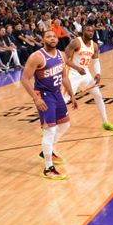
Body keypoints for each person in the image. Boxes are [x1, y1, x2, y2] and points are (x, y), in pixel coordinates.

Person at [20, 29, 78, 179]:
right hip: (44, 96)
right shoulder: (36, 57)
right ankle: (48, 168)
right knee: (49, 130)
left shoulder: (62, 55)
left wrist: (72, 95)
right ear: (43, 40)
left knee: (65, 124)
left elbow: (64, 76)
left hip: (57, 93)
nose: (52, 38)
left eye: (54, 36)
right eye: (48, 36)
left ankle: (48, 149)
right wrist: (35, 98)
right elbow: (25, 79)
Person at [64, 25, 113, 131]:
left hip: (85, 74)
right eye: (88, 30)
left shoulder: (95, 45)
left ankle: (105, 122)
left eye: (92, 31)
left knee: (98, 95)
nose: (91, 32)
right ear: (83, 31)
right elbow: (64, 59)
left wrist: (98, 73)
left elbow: (96, 60)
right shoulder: (76, 42)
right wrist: (77, 68)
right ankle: (50, 127)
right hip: (73, 74)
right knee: (64, 100)